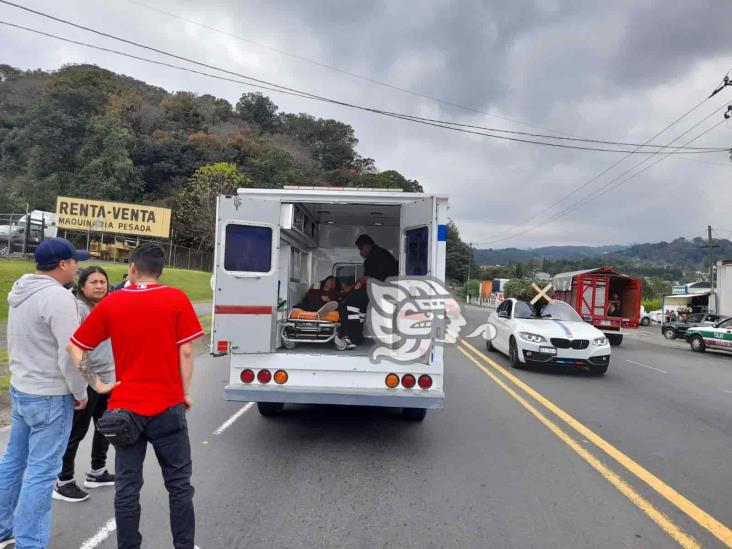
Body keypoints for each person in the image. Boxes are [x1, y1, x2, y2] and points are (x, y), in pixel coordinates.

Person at [67, 243, 204, 549]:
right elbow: (185, 351)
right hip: (168, 405)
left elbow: (75, 346)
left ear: (131, 268)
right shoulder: (176, 298)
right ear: (161, 271)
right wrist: (185, 393)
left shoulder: (112, 303)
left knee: (128, 487)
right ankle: (184, 544)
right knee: (179, 485)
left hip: (125, 409)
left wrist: (99, 384)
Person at [0, 238, 99, 549]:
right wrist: (83, 390)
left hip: (23, 388)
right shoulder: (58, 298)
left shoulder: (22, 291)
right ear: (62, 265)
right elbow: (72, 352)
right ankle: (30, 543)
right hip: (50, 395)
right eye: (74, 261)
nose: (78, 266)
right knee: (42, 474)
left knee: (14, 461)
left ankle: (3, 529)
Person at [54, 266, 116, 503]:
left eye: (103, 281)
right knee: (76, 432)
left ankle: (97, 471)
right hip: (88, 380)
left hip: (108, 379)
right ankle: (64, 481)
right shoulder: (77, 309)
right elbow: (74, 350)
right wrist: (90, 383)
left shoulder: (105, 307)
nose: (100, 286)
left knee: (106, 427)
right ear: (82, 286)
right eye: (94, 282)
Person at [337, 234, 398, 350]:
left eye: (360, 249)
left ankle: (352, 337)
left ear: (366, 246)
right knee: (360, 304)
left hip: (381, 289)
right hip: (388, 289)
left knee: (350, 301)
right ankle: (357, 337)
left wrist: (350, 288)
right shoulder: (383, 254)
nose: (360, 252)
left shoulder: (373, 258)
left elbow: (366, 278)